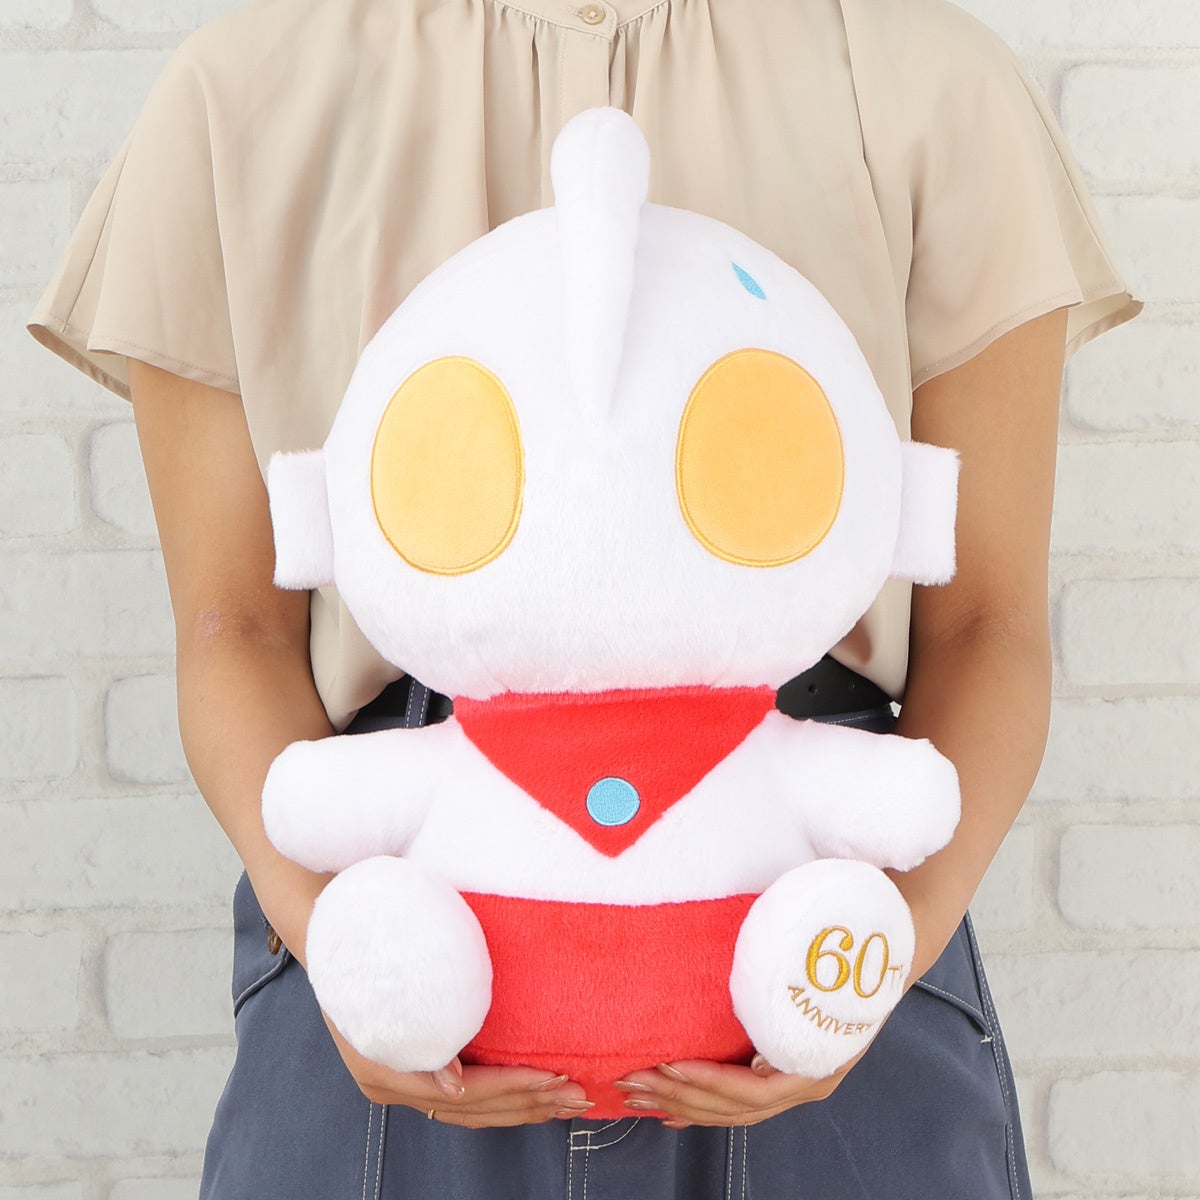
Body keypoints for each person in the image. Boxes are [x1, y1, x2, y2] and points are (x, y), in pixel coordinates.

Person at [26, 0, 1141, 1195]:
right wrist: (338, 941)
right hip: (398, 894)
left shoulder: (925, 82)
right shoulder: (241, 96)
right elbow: (233, 629)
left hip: (816, 888)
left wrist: (873, 956)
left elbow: (987, 625)